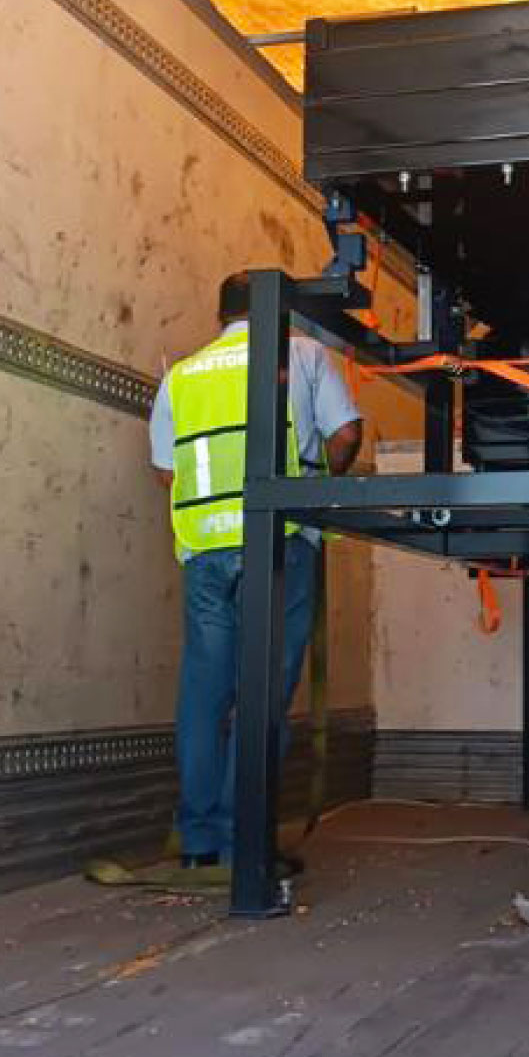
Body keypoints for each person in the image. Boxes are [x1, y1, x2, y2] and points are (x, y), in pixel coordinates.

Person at [148, 271, 362, 871]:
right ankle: (243, 842)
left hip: (205, 551)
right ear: (280, 310)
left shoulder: (182, 374)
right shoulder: (303, 354)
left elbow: (167, 470)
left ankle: (199, 843)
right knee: (262, 693)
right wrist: (315, 489)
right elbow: (346, 434)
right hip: (280, 541)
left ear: (221, 315)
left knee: (204, 694)